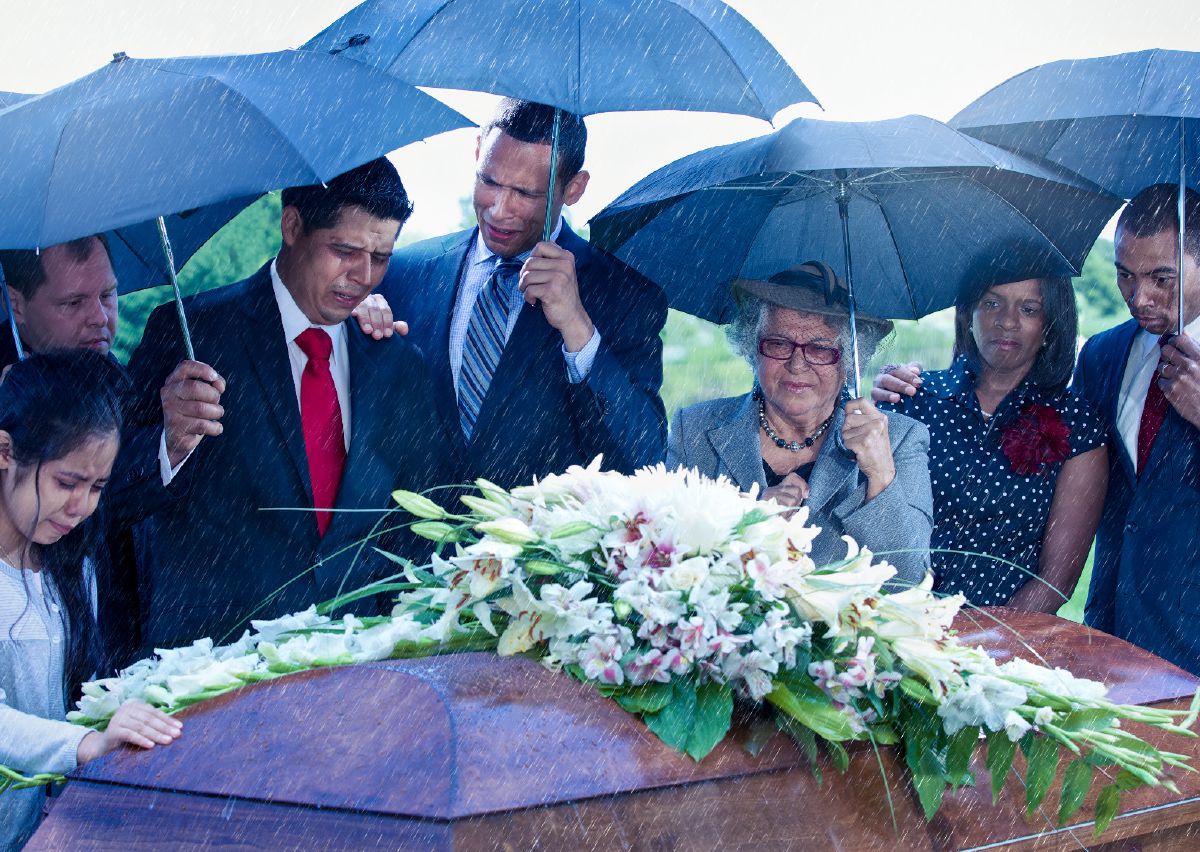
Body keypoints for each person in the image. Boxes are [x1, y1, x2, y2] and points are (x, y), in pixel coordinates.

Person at [0, 236, 401, 668]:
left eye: (108, 295)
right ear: (16, 304)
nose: (98, 319)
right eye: (73, 303)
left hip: (132, 647)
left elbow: (127, 482)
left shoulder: (113, 376)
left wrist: (336, 318)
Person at [119, 158, 453, 653]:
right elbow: (110, 495)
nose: (363, 276)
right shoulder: (192, 334)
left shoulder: (399, 366)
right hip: (212, 671)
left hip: (353, 670)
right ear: (292, 225)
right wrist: (166, 443)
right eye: (345, 250)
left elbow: (421, 530)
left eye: (380, 257)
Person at [379, 98, 668, 488]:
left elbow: (641, 459)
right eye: (490, 181)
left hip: (535, 546)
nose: (499, 210)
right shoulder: (400, 272)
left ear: (575, 188)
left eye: (526, 193)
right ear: (478, 151)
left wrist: (579, 330)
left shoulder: (625, 297)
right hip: (405, 545)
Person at [0, 351, 181, 850]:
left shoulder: (70, 562)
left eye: (97, 486)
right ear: (4, 452)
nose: (80, 507)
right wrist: (85, 744)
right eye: (66, 482)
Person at [666, 262, 932, 585]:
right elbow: (666, 564)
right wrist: (746, 523)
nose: (796, 364)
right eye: (779, 343)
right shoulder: (693, 429)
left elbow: (907, 581)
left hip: (844, 634)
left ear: (848, 361)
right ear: (754, 348)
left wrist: (880, 476)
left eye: (820, 349)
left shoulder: (900, 439)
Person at [873, 277, 1108, 610]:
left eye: (1028, 309)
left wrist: (984, 647)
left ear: (1049, 327)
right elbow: (871, 524)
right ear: (969, 314)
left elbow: (1055, 582)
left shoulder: (1078, 426)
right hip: (895, 620)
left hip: (1001, 641)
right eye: (991, 303)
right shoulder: (912, 398)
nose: (1006, 321)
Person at [1072, 183, 1200, 674]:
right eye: (1124, 275)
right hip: (1109, 634)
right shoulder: (1101, 355)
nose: (1139, 297)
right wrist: (926, 392)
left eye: (1161, 279)